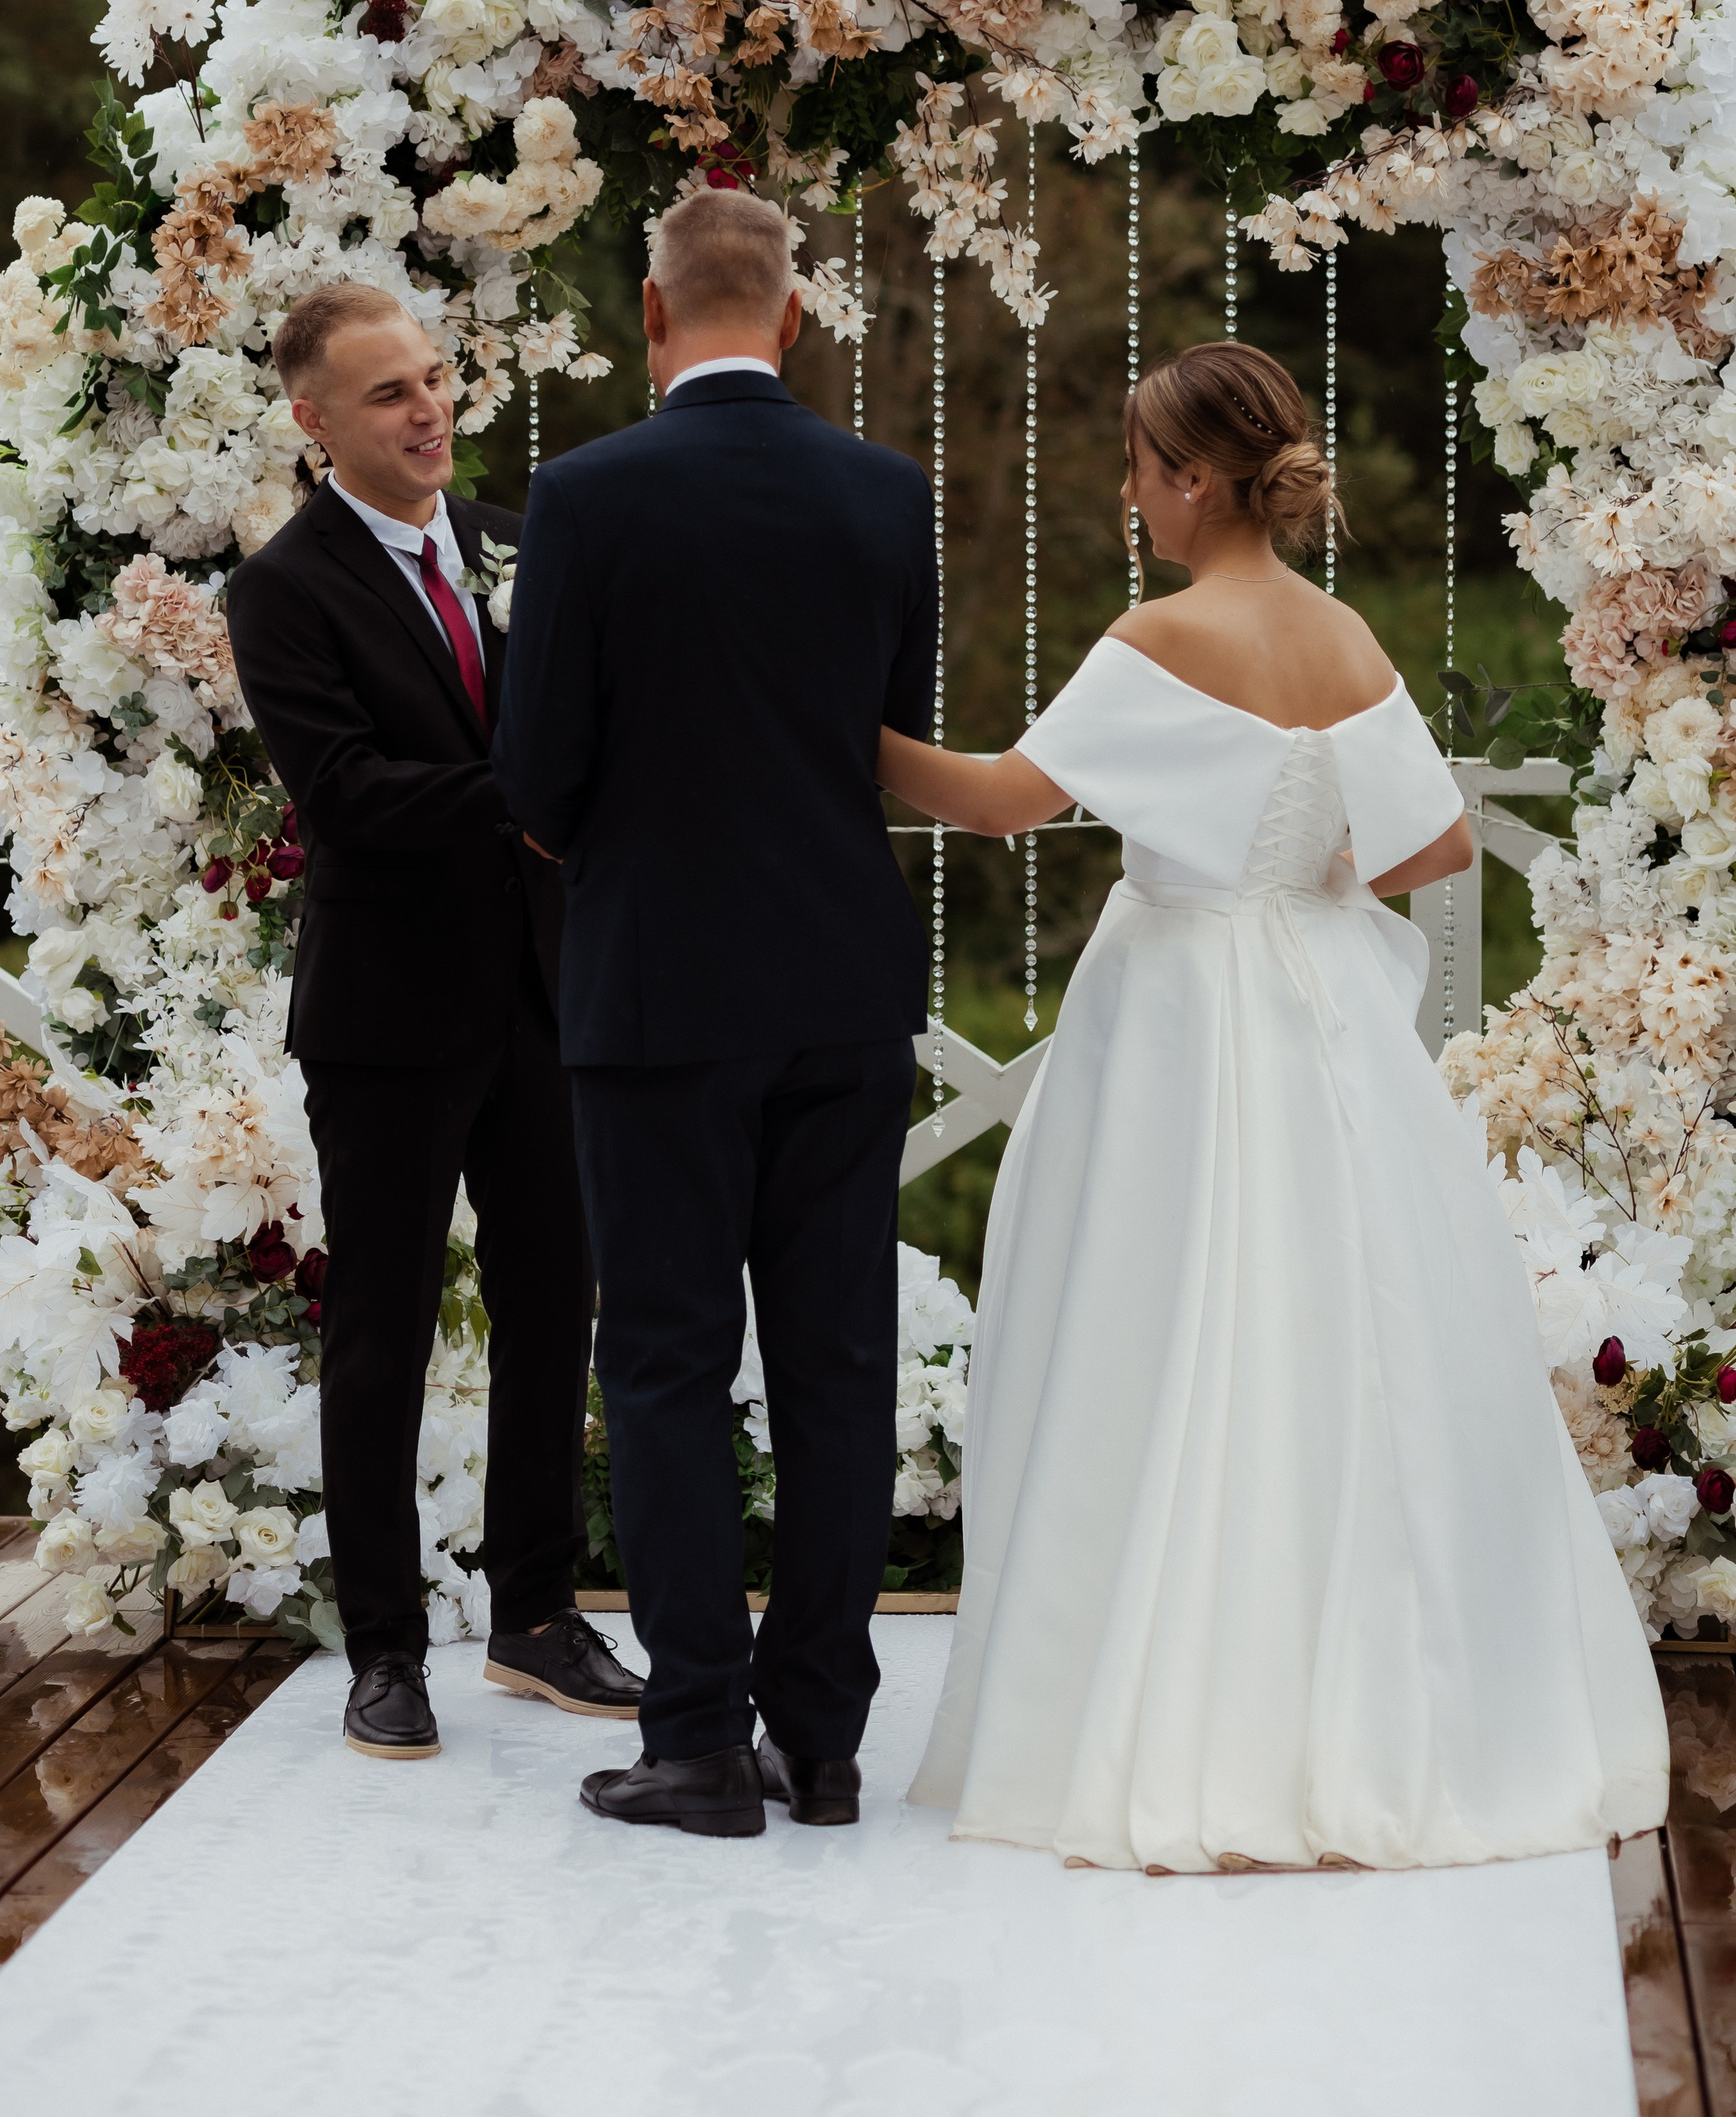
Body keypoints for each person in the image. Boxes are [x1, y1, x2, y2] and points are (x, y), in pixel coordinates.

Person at [885, 341, 1669, 1874]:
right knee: (1333, 1330)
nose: (1130, 498)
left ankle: (1186, 1701)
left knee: (1169, 1323)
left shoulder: (1161, 634)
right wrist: (1305, 864)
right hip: (1322, 1010)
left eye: (1136, 470)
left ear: (1190, 479)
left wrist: (820, 733)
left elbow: (998, 802)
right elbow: (1439, 848)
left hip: (1183, 1012)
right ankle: (1378, 1704)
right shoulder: (1342, 633)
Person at [493, 187, 938, 1840]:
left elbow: (534, 775)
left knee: (668, 1361)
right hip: (843, 984)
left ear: (652, 313)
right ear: (795, 318)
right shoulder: (887, 494)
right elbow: (890, 730)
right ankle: (822, 1745)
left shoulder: (586, 494)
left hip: (658, 988)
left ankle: (694, 1739)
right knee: (837, 1365)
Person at [225, 283, 643, 1761]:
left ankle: (537, 1617)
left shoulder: (514, 544)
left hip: (543, 994)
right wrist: (537, 797)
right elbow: (345, 795)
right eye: (390, 392)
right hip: (388, 1015)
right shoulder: (282, 590)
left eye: (435, 378)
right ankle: (386, 1651)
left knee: (552, 1309)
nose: (429, 409)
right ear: (315, 420)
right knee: (382, 1333)